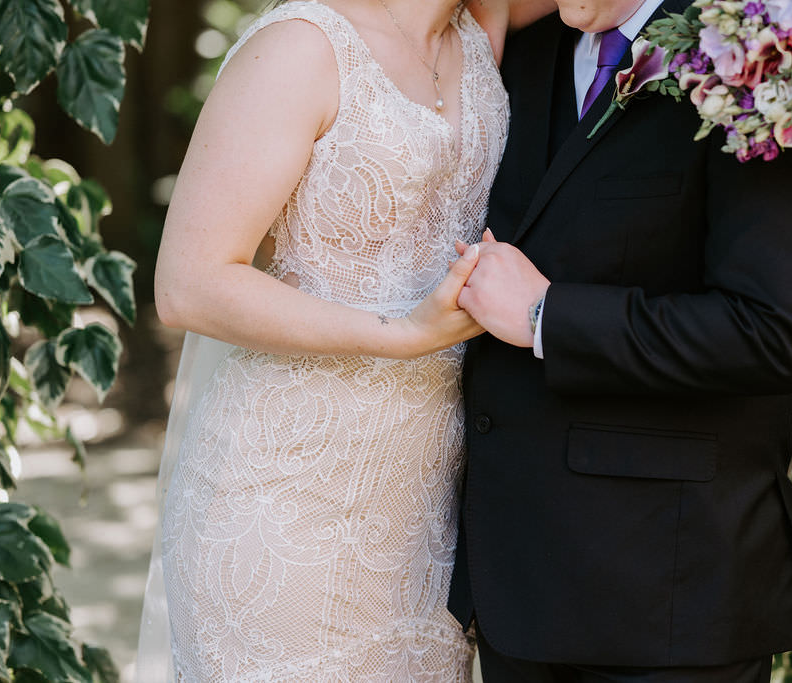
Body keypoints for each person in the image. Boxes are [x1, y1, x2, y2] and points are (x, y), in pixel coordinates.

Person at [135, 0, 552, 679]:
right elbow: (189, 283)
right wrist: (404, 333)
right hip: (282, 499)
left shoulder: (483, 29)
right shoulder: (301, 47)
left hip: (424, 529)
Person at [448, 0, 792, 681]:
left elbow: (774, 331)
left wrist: (548, 315)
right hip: (515, 589)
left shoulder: (771, 63)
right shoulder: (523, 55)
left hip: (670, 603)